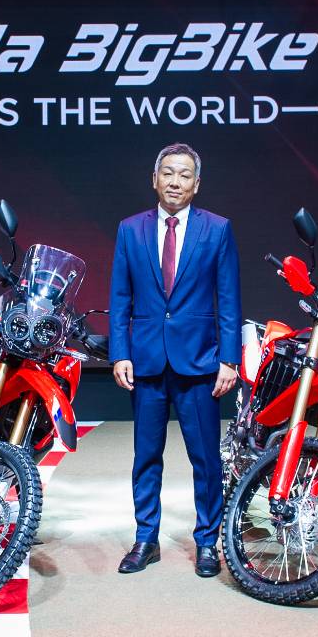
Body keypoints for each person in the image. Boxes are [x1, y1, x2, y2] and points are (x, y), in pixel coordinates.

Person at [110, 143, 241, 578]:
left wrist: (229, 359)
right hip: (146, 361)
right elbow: (120, 298)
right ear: (154, 179)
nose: (175, 182)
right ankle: (145, 538)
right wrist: (120, 353)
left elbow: (228, 299)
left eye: (184, 175)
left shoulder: (217, 229)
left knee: (205, 459)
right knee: (146, 457)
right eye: (167, 173)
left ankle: (207, 542)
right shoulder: (130, 230)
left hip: (199, 363)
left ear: (196, 184)